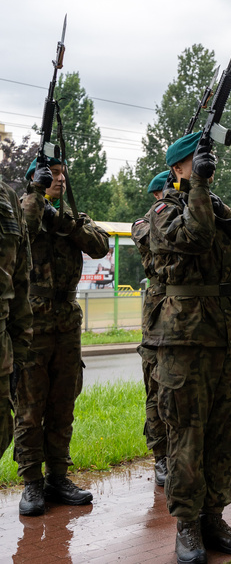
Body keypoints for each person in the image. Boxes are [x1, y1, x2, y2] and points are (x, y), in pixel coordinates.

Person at [148, 132, 231, 561]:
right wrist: (198, 190)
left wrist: (227, 212)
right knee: (187, 434)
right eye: (198, 164)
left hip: (226, 337)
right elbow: (195, 238)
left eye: (208, 164)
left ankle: (213, 516)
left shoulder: (214, 210)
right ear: (178, 168)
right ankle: (187, 525)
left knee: (225, 434)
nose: (208, 169)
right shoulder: (162, 211)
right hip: (184, 340)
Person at [16, 157, 109, 517]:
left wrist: (63, 220)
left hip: (67, 321)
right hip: (32, 322)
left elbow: (98, 244)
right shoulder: (23, 209)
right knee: (30, 407)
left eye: (61, 174)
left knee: (62, 405)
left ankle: (57, 477)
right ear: (35, 179)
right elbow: (23, 226)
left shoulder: (72, 216)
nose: (60, 179)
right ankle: (31, 483)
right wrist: (36, 194)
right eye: (51, 175)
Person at [131, 170, 170, 487]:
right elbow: (156, 240)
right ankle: (161, 458)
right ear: (158, 194)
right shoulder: (145, 223)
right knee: (157, 391)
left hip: (187, 318)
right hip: (158, 319)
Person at [0, 176, 32, 457]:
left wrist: (18, 355)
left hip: (1, 344)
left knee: (1, 430)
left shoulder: (7, 198)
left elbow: (20, 279)